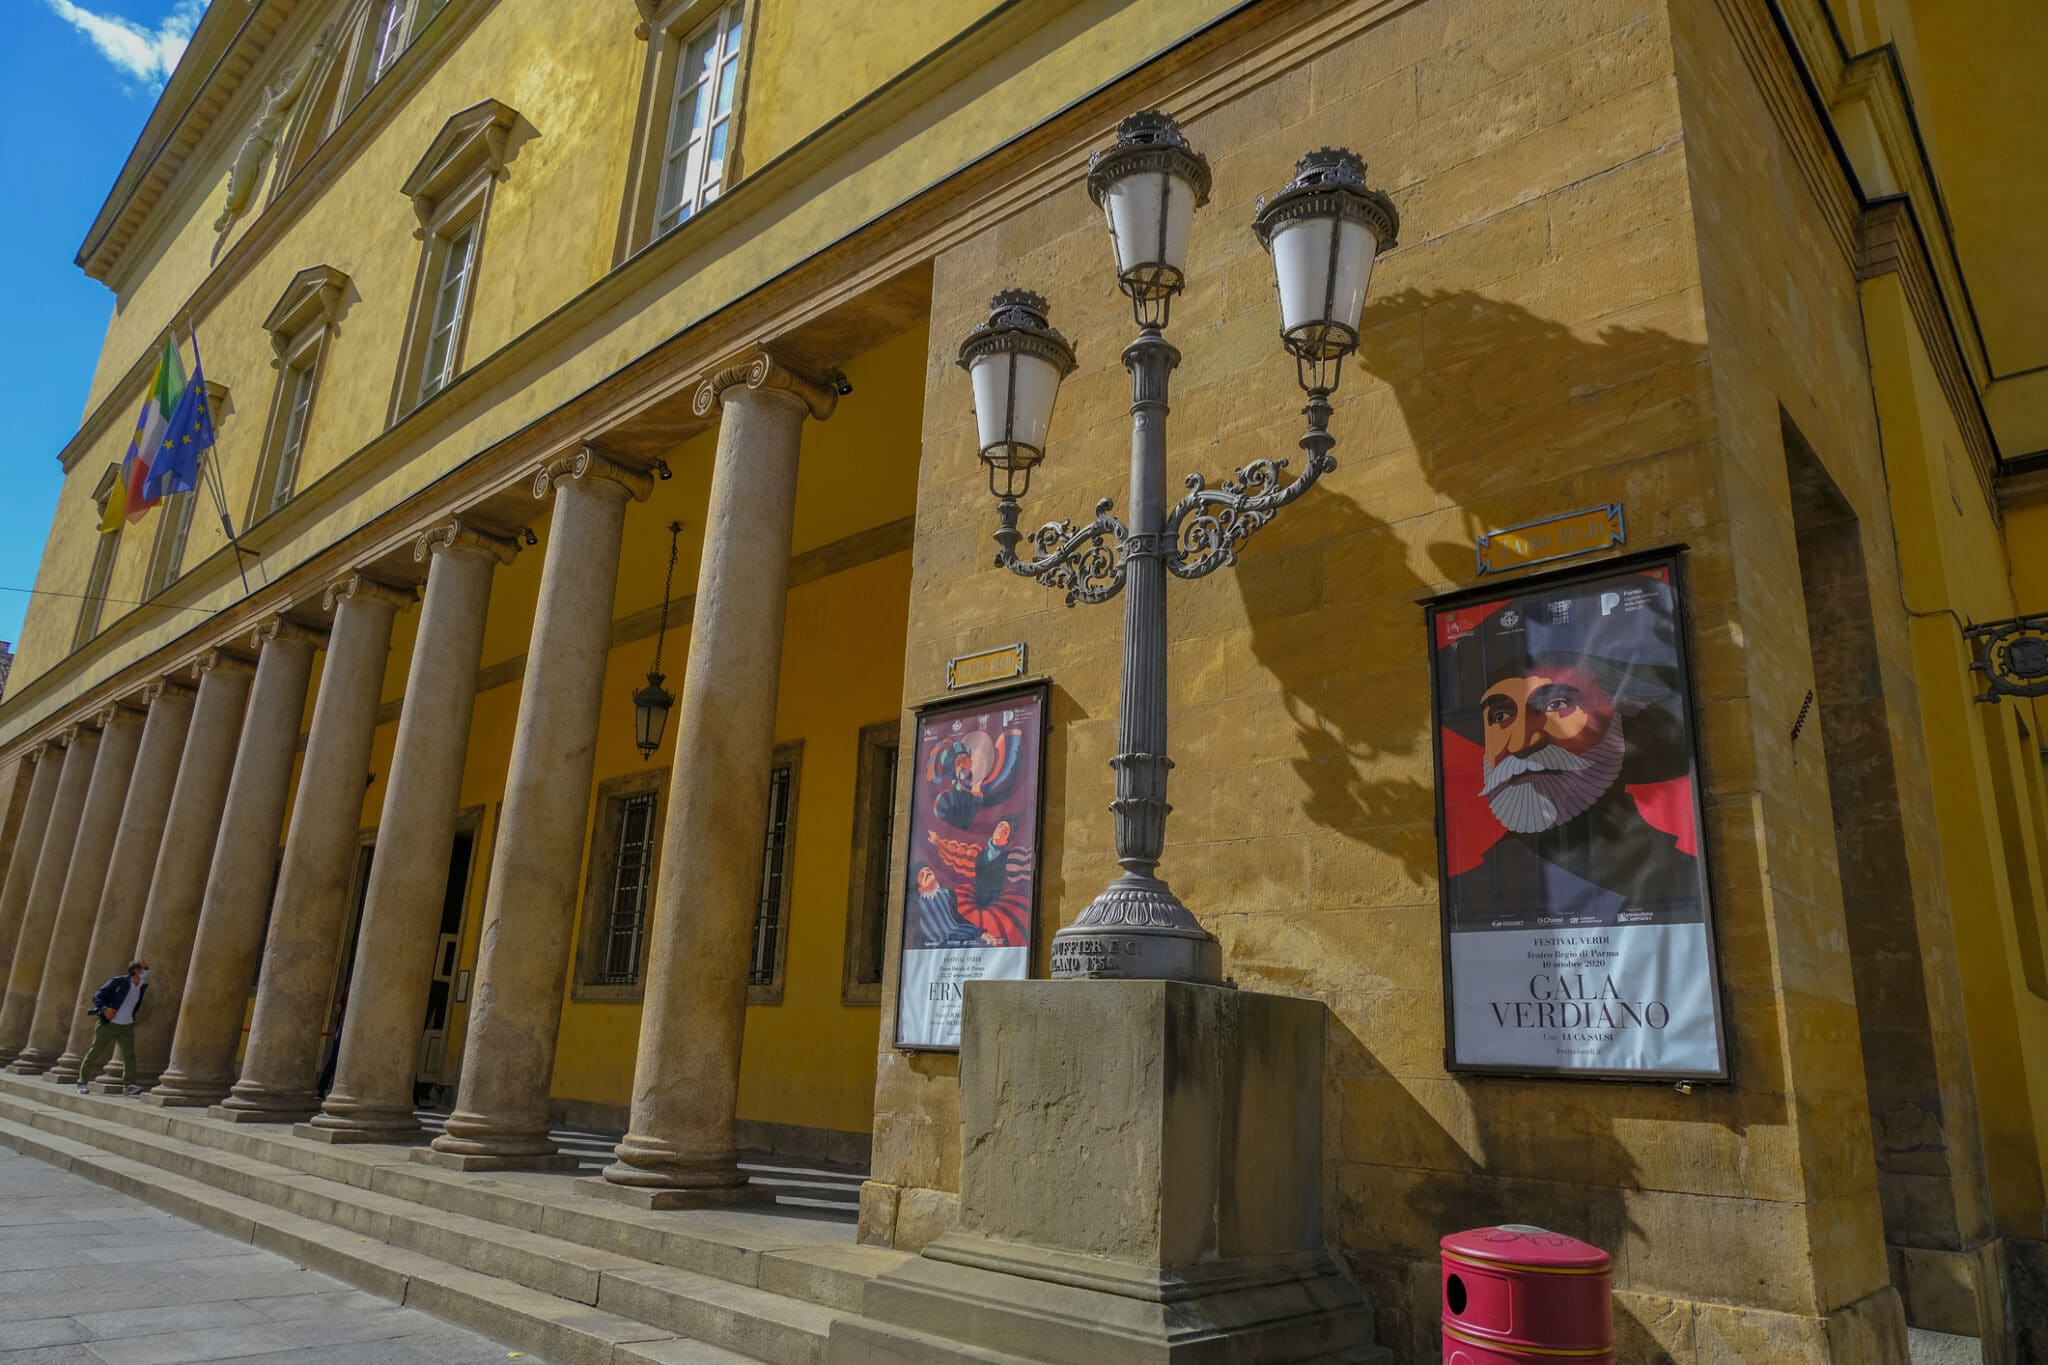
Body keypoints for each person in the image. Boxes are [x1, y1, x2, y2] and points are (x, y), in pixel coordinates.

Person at [76, 960, 149, 1095]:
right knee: (95, 1052)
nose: (147, 972)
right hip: (109, 1024)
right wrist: (105, 1009)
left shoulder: (142, 986)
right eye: (145, 969)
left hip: (126, 1025)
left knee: (129, 1055)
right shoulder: (119, 981)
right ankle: (82, 1082)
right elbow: (97, 997)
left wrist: (132, 1017)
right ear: (137, 970)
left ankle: (129, 1084)